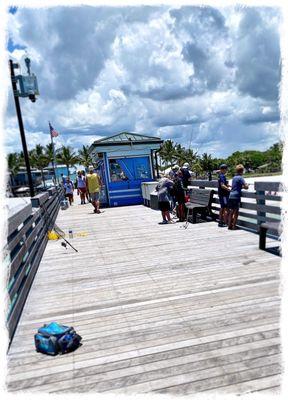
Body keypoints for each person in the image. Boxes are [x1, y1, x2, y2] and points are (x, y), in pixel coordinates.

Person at [227, 164, 249, 230]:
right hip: (236, 197)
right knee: (236, 212)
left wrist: (242, 187)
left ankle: (229, 225)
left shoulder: (234, 178)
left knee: (231, 212)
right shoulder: (241, 178)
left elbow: (236, 186)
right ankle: (234, 226)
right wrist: (247, 185)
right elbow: (246, 187)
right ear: (242, 171)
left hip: (231, 196)